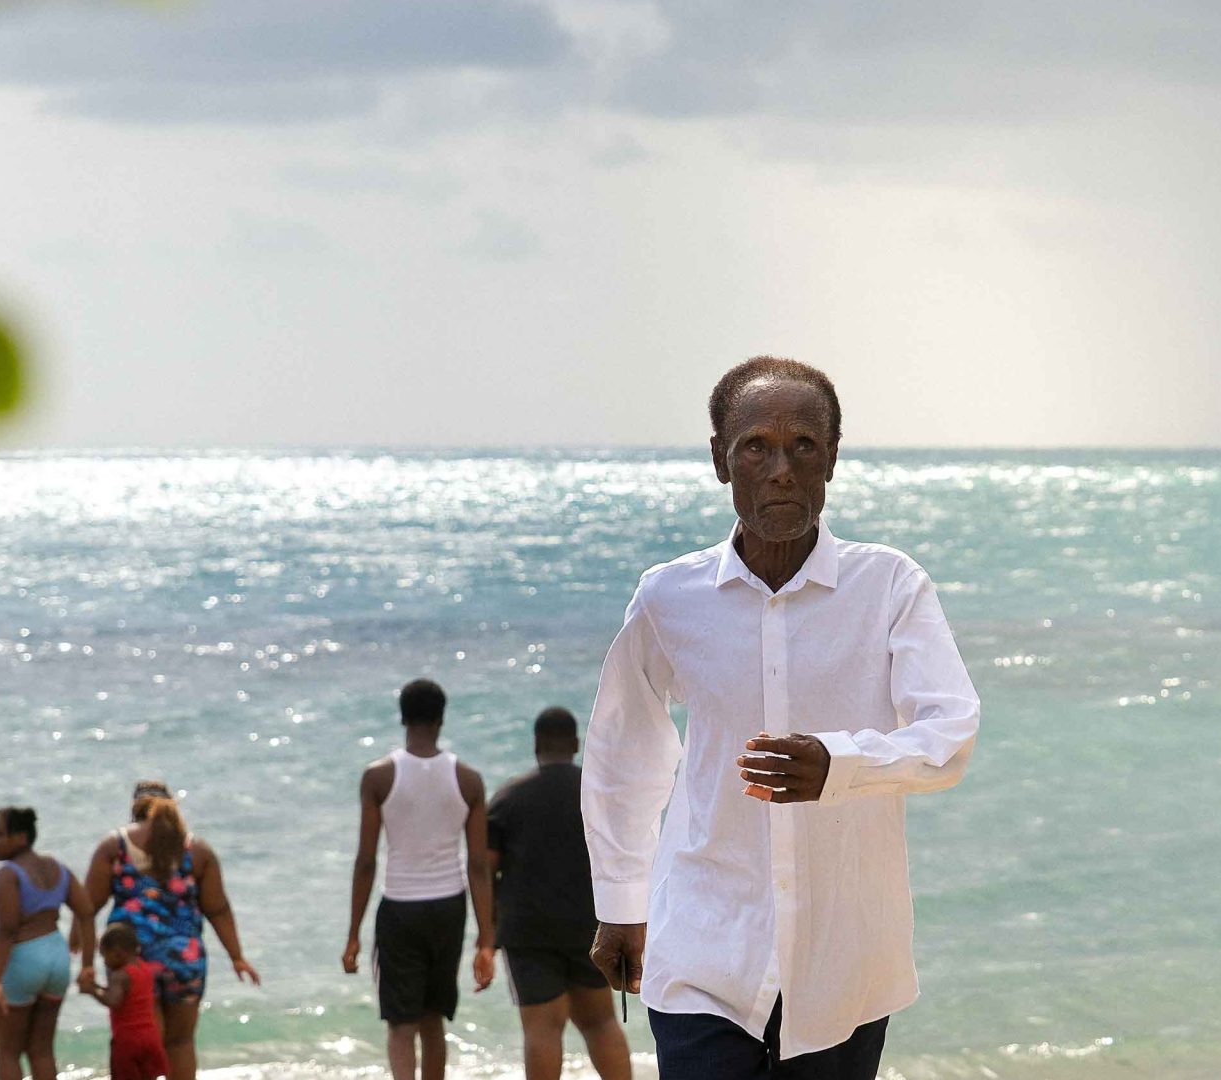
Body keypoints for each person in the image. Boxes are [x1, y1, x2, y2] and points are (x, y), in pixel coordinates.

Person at [583, 356, 982, 1079]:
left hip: (844, 957)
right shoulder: (669, 597)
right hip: (703, 945)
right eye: (755, 448)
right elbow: (624, 754)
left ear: (832, 456)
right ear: (719, 461)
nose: (781, 469)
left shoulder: (890, 586)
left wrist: (843, 765)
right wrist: (619, 902)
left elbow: (949, 734)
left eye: (804, 445)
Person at [343, 678, 497, 1080]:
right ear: (441, 718)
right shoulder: (468, 779)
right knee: (433, 1020)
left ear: (402, 718)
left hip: (400, 908)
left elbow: (365, 862)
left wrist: (353, 933)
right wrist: (486, 938)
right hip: (449, 907)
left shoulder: (378, 777)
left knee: (400, 1023)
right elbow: (478, 865)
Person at [487, 706, 632, 1080]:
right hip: (591, 926)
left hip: (528, 931)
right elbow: (625, 856)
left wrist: (487, 932)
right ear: (576, 744)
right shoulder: (598, 795)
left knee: (542, 1029)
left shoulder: (508, 799)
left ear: (536, 744)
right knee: (601, 1022)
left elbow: (485, 869)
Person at [84, 780, 261, 1080]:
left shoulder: (115, 846)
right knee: (180, 1043)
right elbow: (218, 909)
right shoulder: (197, 850)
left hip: (135, 961)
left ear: (134, 808)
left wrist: (83, 953)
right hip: (186, 958)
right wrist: (237, 956)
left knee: (144, 1041)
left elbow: (88, 905)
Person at [0, 806, 97, 1080]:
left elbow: (7, 929)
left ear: (21, 837)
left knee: (8, 1052)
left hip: (24, 958)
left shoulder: (8, 874)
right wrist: (87, 965)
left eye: (0, 834)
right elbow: (86, 911)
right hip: (56, 958)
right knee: (42, 1051)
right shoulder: (58, 869)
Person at [82, 922, 169, 1080]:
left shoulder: (120, 975)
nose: (105, 962)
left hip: (128, 1040)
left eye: (104, 956)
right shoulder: (144, 969)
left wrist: (91, 991)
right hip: (151, 1037)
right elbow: (127, 994)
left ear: (117, 953)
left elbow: (114, 1000)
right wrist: (95, 985)